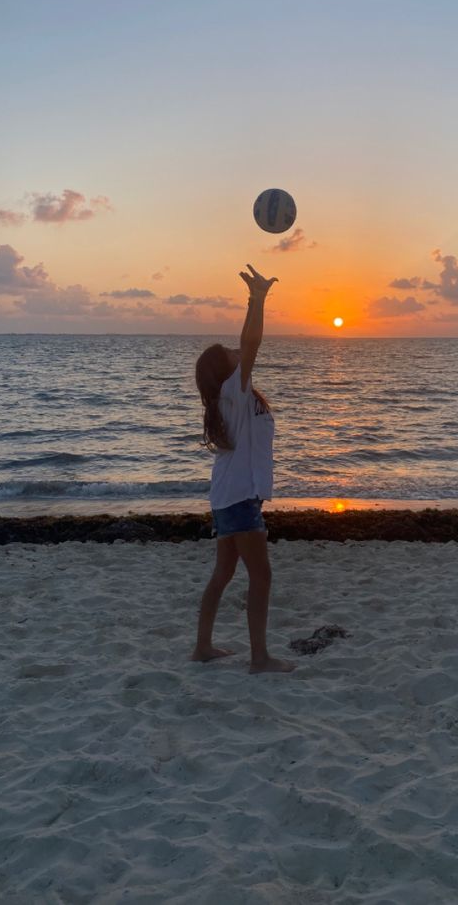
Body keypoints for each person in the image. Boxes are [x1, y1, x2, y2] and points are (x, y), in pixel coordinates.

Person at [191, 264, 295, 675]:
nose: (239, 355)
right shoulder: (232, 392)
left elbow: (246, 347)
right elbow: (251, 341)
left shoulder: (234, 397)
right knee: (262, 576)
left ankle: (202, 648)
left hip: (229, 495)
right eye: (232, 356)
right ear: (227, 369)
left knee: (224, 572)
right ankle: (259, 658)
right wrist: (257, 299)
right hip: (237, 498)